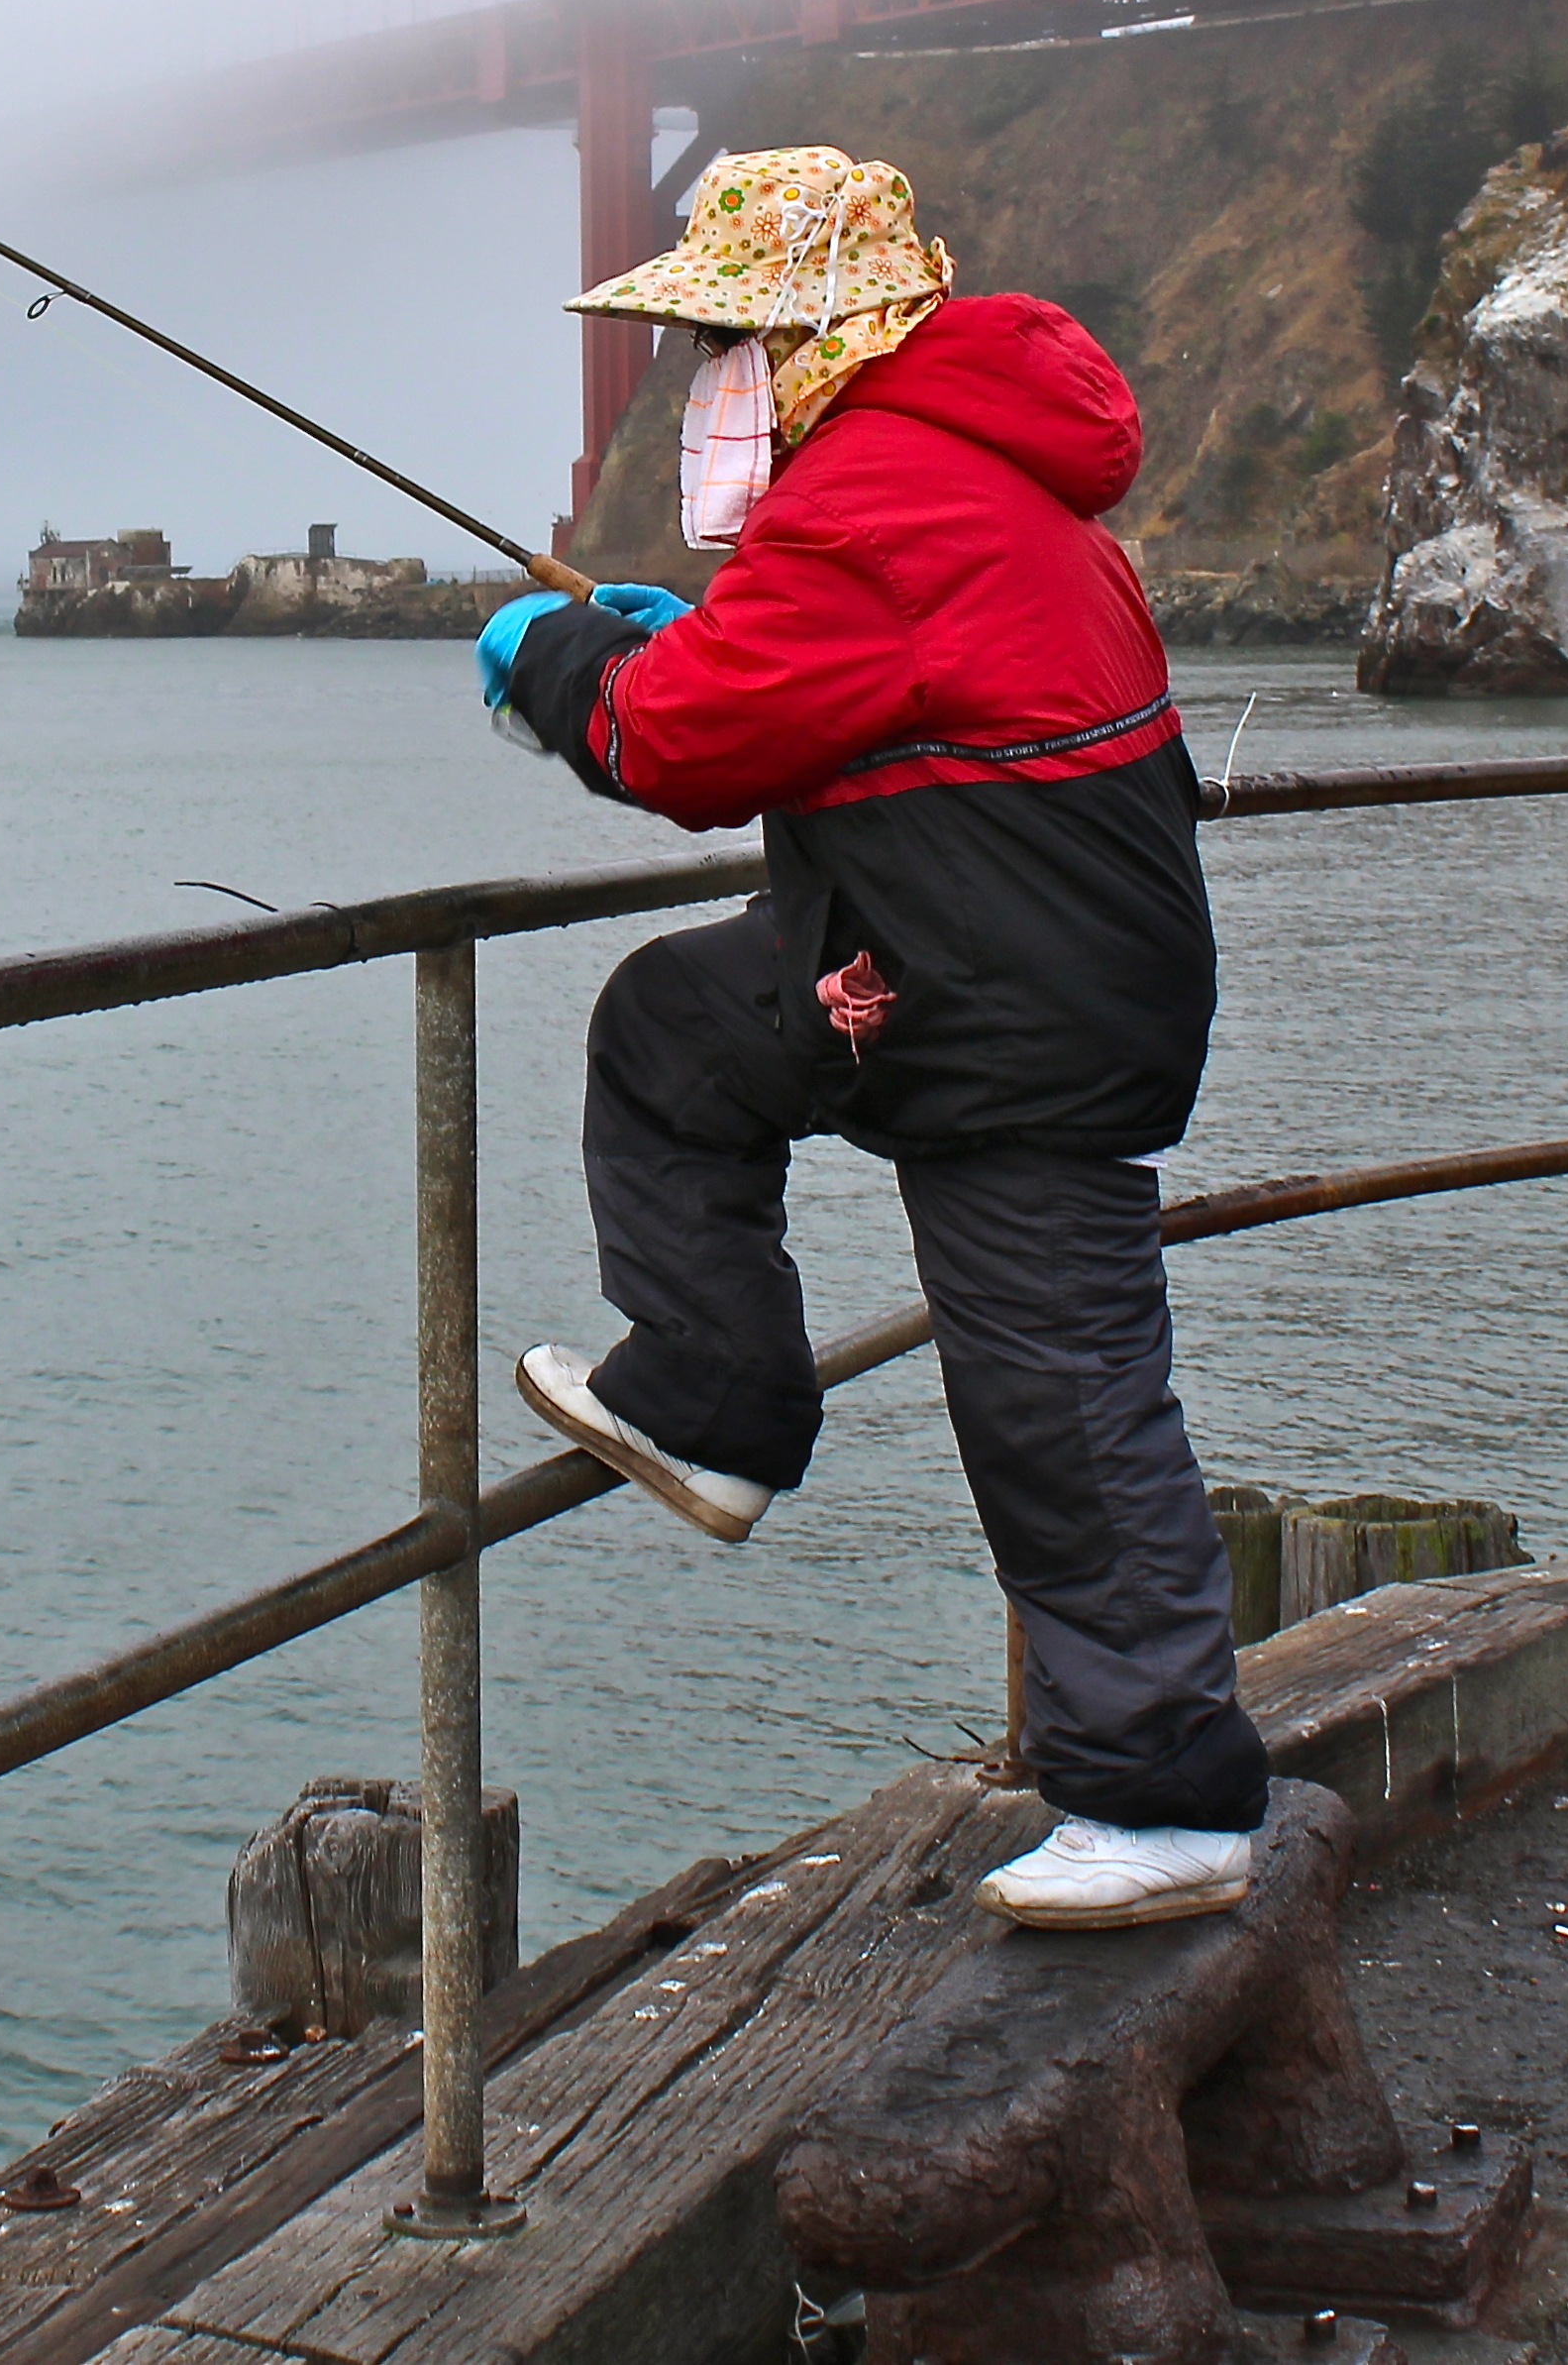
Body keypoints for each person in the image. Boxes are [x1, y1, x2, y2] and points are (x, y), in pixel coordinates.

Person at [478, 146, 1266, 1930]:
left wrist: (551, 658)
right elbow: (827, 690)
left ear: (807, 341)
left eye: (722, 345)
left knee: (1059, 1393)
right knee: (677, 1031)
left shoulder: (872, 503)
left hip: (1009, 1009)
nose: (701, 384)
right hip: (986, 961)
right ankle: (707, 1398)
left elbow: (673, 748)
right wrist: (684, 640)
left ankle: (1166, 1800)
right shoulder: (955, 471)